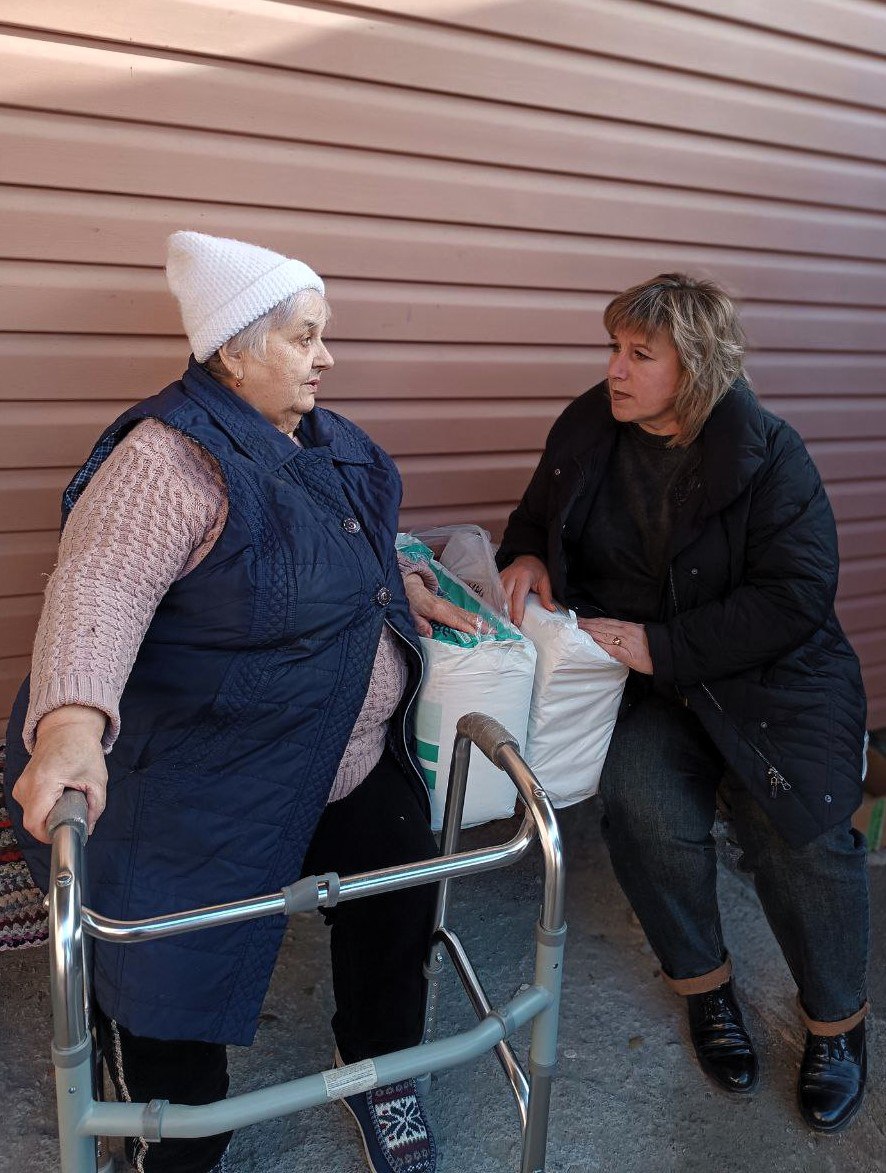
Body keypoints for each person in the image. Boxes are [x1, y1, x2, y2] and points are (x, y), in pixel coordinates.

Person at [5, 231, 477, 1173]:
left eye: (322, 335)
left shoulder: (329, 442)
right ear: (232, 349)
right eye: (305, 339)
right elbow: (97, 591)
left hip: (342, 759)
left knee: (396, 894)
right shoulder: (164, 464)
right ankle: (170, 1132)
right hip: (206, 778)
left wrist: (406, 582)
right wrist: (67, 727)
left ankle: (382, 1066)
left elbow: (349, 544)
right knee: (171, 978)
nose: (327, 357)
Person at [497, 273, 869, 1133]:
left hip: (774, 677)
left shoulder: (769, 453)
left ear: (694, 366)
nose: (614, 370)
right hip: (656, 686)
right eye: (613, 349)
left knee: (802, 832)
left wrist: (662, 643)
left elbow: (796, 597)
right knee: (641, 806)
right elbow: (534, 517)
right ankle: (706, 990)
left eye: (638, 354)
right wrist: (526, 557)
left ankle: (837, 1026)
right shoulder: (591, 423)